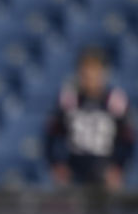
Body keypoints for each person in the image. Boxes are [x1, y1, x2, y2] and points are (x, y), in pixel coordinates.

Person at [44, 47, 133, 191]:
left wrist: (118, 167)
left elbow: (127, 140)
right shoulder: (69, 98)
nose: (90, 75)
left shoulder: (115, 100)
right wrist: (57, 164)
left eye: (95, 70)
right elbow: (51, 135)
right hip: (74, 169)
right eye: (86, 70)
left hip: (104, 170)